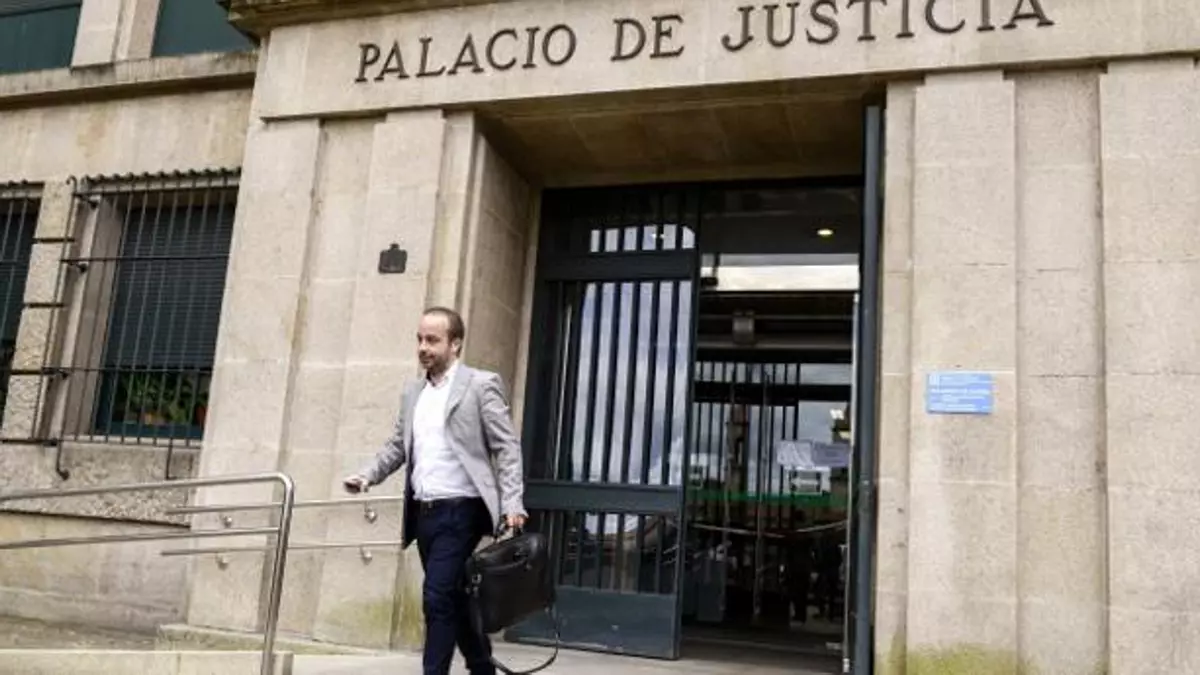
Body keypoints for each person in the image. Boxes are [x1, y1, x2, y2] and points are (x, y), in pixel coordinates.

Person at [343, 306, 527, 675]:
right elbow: (399, 445)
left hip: (462, 511)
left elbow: (506, 447)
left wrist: (513, 502)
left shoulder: (480, 385)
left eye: (432, 340)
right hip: (424, 514)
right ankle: (482, 667)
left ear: (455, 344)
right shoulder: (414, 392)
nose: (423, 347)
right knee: (453, 597)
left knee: (436, 595)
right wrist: (367, 476)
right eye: (420, 339)